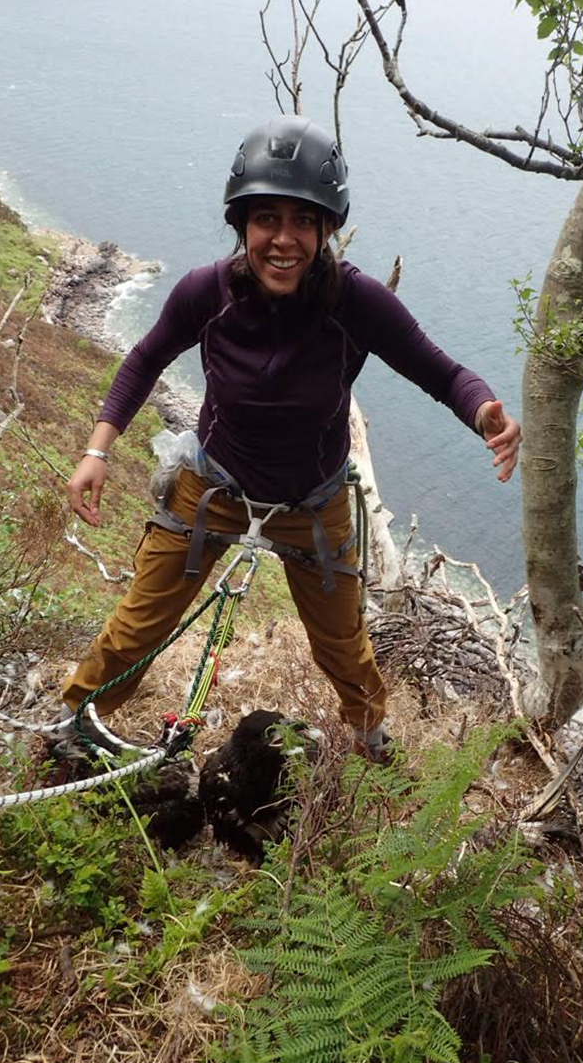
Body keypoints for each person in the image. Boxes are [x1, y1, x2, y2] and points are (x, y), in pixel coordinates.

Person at [60, 116, 521, 760]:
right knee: (140, 622)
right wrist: (97, 450)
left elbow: (438, 370)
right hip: (213, 486)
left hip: (313, 501)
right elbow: (144, 359)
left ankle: (369, 742)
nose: (284, 240)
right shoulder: (207, 292)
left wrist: (483, 414)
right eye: (266, 219)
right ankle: (74, 723)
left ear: (327, 229)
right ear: (241, 224)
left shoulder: (355, 301)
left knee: (341, 643)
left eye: (303, 221)